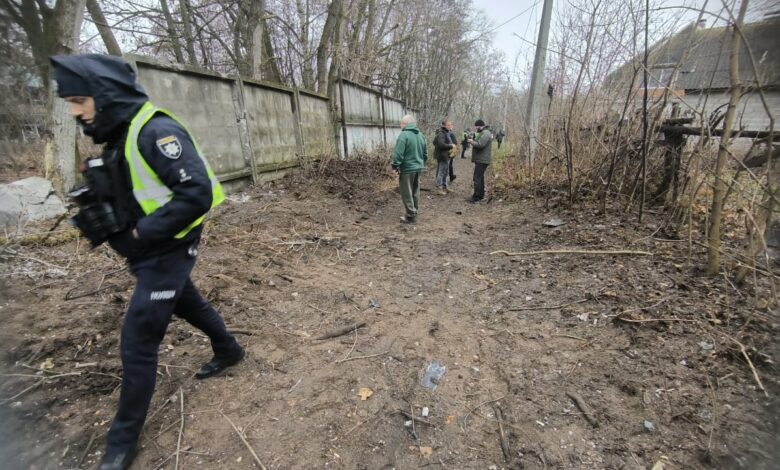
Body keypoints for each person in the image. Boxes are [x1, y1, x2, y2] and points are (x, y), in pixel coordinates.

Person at [50, 54, 245, 470]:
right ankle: (229, 349)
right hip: (150, 254)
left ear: (104, 95)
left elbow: (197, 195)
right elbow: (137, 191)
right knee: (186, 301)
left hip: (168, 249)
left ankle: (120, 445)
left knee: (138, 340)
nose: (74, 111)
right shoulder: (120, 135)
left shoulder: (156, 131)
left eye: (79, 100)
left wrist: (139, 235)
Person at [391, 115, 427, 223]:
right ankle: (414, 210)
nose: (400, 125)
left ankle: (411, 215)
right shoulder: (421, 135)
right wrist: (420, 163)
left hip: (407, 169)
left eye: (401, 123)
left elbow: (398, 154)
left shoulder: (404, 135)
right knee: (415, 190)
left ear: (405, 124)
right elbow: (425, 154)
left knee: (406, 192)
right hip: (418, 167)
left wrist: (395, 167)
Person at [467, 119, 493, 203]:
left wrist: (471, 142)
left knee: (477, 178)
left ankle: (476, 197)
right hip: (481, 159)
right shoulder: (484, 132)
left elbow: (480, 144)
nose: (476, 128)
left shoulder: (486, 133)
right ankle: (480, 195)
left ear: (481, 126)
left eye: (477, 127)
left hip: (482, 160)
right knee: (480, 178)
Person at [433, 119, 456, 195]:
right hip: (442, 156)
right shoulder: (441, 133)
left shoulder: (446, 132)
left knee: (446, 172)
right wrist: (450, 145)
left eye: (451, 125)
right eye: (448, 125)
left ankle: (444, 186)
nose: (450, 126)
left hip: (446, 156)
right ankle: (438, 188)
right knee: (441, 172)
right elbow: (440, 144)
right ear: (444, 125)